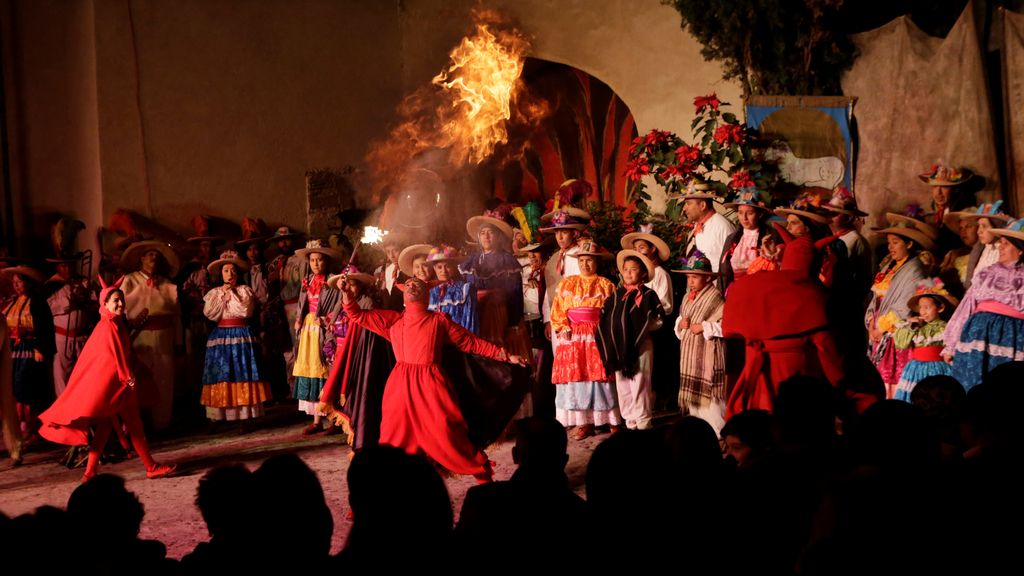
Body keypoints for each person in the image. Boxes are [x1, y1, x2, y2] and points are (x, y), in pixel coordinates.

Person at [338, 276, 527, 482]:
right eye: (408, 283)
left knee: (448, 436)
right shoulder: (393, 321)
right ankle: (374, 497)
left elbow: (470, 342)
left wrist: (506, 355)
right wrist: (347, 294)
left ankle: (485, 483)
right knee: (391, 442)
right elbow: (356, 314)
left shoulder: (439, 321)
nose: (412, 284)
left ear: (428, 295)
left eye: (417, 284)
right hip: (399, 390)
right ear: (403, 297)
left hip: (431, 387)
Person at [37, 276, 176, 481]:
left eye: (121, 300)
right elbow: (113, 354)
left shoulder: (114, 324)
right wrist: (126, 377)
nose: (120, 303)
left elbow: (120, 353)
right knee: (134, 426)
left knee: (106, 428)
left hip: (115, 386)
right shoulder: (108, 326)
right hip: (118, 386)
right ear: (105, 304)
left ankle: (91, 471)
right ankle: (150, 466)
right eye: (115, 301)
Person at [943, 218, 1024, 391]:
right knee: (974, 388)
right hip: (978, 337)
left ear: (1021, 250)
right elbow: (967, 306)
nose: (1000, 247)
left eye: (1006, 244)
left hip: (1011, 337)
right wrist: (951, 344)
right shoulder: (988, 273)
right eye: (1000, 242)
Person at [318, 267, 392, 450]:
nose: (349, 288)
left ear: (360, 285)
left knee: (354, 389)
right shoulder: (338, 303)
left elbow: (368, 332)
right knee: (339, 388)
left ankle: (358, 427)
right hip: (340, 352)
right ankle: (341, 426)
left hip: (356, 353)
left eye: (353, 284)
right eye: (346, 284)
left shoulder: (367, 302)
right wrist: (330, 344)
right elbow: (332, 327)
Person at [550, 240, 618, 439]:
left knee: (600, 375)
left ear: (597, 262)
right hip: (574, 337)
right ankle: (584, 423)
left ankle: (611, 419)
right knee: (578, 376)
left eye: (589, 260)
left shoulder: (606, 284)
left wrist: (605, 332)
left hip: (596, 335)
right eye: (582, 260)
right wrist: (563, 327)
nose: (585, 265)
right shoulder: (568, 283)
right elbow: (558, 308)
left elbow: (611, 313)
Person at [200, 250, 271, 430]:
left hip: (241, 335)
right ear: (221, 274)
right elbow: (211, 313)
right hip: (221, 336)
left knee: (242, 371)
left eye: (233, 271)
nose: (230, 274)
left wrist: (233, 294)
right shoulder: (214, 293)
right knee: (222, 374)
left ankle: (245, 416)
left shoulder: (244, 291)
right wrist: (223, 295)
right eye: (226, 271)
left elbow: (245, 311)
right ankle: (219, 416)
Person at [866, 215, 934, 397]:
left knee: (892, 380)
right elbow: (876, 298)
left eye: (895, 242)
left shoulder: (914, 270)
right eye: (889, 242)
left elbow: (904, 305)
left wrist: (881, 328)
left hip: (894, 331)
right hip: (879, 325)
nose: (890, 247)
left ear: (909, 244)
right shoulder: (889, 267)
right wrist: (871, 322)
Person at [596, 250, 662, 430]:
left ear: (642, 273)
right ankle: (630, 421)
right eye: (625, 269)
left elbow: (658, 320)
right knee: (623, 385)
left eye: (633, 269)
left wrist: (639, 328)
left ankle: (643, 422)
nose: (629, 273)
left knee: (640, 383)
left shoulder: (648, 295)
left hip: (641, 346)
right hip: (620, 350)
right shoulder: (616, 296)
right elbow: (606, 319)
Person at [119, 240, 181, 431]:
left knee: (164, 380)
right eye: (150, 254)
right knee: (137, 382)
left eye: (157, 255)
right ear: (142, 258)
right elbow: (118, 311)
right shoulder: (129, 281)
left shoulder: (168, 284)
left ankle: (162, 424)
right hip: (140, 338)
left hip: (164, 338)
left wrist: (179, 342)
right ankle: (135, 426)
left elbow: (177, 316)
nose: (154, 258)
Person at [672, 252, 727, 433]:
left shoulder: (715, 297)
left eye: (694, 277)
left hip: (707, 355)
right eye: (688, 277)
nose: (690, 281)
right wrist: (681, 324)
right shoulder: (687, 297)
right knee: (694, 399)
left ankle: (717, 432)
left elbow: (725, 325)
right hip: (690, 356)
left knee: (709, 399)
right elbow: (680, 320)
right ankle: (699, 432)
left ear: (708, 277)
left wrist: (704, 327)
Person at [292, 239, 342, 435]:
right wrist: (299, 318)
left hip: (324, 329)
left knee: (325, 371)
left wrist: (327, 319)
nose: (315, 264)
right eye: (312, 260)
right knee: (311, 372)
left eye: (320, 260)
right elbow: (301, 303)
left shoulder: (331, 281)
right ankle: (316, 420)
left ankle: (334, 419)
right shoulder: (308, 281)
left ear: (326, 261)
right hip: (308, 329)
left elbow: (339, 304)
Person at [2, 265, 56, 443]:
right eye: (15, 283)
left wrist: (40, 348)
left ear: (28, 283)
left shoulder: (37, 302)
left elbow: (44, 327)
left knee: (28, 386)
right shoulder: (11, 302)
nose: (17, 286)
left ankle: (33, 425)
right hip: (14, 350)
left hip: (31, 349)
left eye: (20, 282)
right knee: (14, 386)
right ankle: (21, 424)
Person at [893, 279, 957, 402]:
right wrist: (911, 327)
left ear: (940, 308)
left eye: (927, 307)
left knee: (936, 397)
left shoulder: (947, 327)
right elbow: (901, 344)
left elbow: (953, 346)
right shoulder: (914, 325)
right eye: (921, 307)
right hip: (916, 369)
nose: (923, 311)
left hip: (939, 368)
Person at [45, 255, 96, 398]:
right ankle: (64, 409)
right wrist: (71, 299)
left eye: (70, 265)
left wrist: (85, 299)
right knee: (63, 374)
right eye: (63, 266)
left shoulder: (85, 282)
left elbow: (99, 304)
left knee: (85, 372)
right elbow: (48, 308)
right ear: (57, 267)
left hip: (83, 336)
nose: (68, 269)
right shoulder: (51, 286)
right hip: (62, 337)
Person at [266, 226, 305, 393]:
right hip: (281, 310)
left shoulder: (301, 259)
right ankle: (292, 386)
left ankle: (304, 389)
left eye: (287, 239)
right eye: (280, 241)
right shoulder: (275, 263)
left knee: (300, 346)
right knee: (287, 349)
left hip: (298, 306)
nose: (284, 243)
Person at [719, 186, 773, 293]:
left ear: (760, 214)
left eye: (750, 213)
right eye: (740, 212)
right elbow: (723, 272)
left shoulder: (770, 237)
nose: (744, 218)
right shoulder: (732, 239)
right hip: (736, 291)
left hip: (759, 291)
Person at [680, 179, 736, 273]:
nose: (684, 208)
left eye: (688, 203)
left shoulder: (722, 226)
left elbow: (733, 263)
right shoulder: (698, 226)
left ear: (702, 205)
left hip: (718, 286)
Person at [426, 244, 478, 333]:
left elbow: (470, 323)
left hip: (458, 342)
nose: (443, 271)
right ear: (434, 268)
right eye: (439, 267)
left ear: (454, 267)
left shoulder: (464, 290)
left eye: (447, 266)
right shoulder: (428, 291)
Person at [374, 238, 407, 311]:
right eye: (388, 252)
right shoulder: (388, 270)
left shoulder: (408, 268)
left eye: (395, 250)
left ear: (402, 249)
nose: (391, 255)